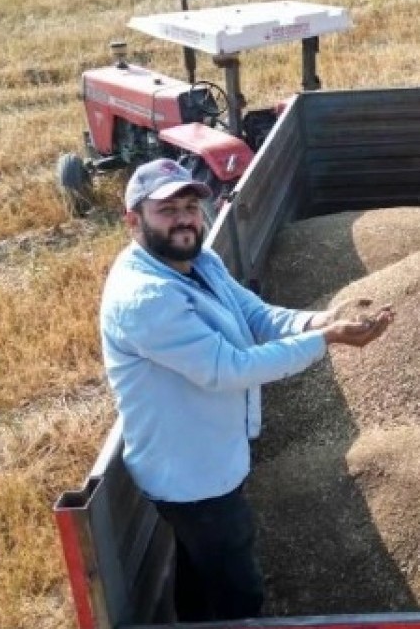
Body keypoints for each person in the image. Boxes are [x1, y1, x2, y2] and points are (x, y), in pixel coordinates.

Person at [99, 158, 393, 622]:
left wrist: (323, 319)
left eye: (191, 206)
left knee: (201, 576)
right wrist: (327, 340)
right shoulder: (146, 298)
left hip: (207, 456)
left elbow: (258, 316)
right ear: (133, 221)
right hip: (191, 477)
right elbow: (228, 369)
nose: (184, 219)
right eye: (167, 209)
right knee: (238, 592)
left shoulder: (199, 262)